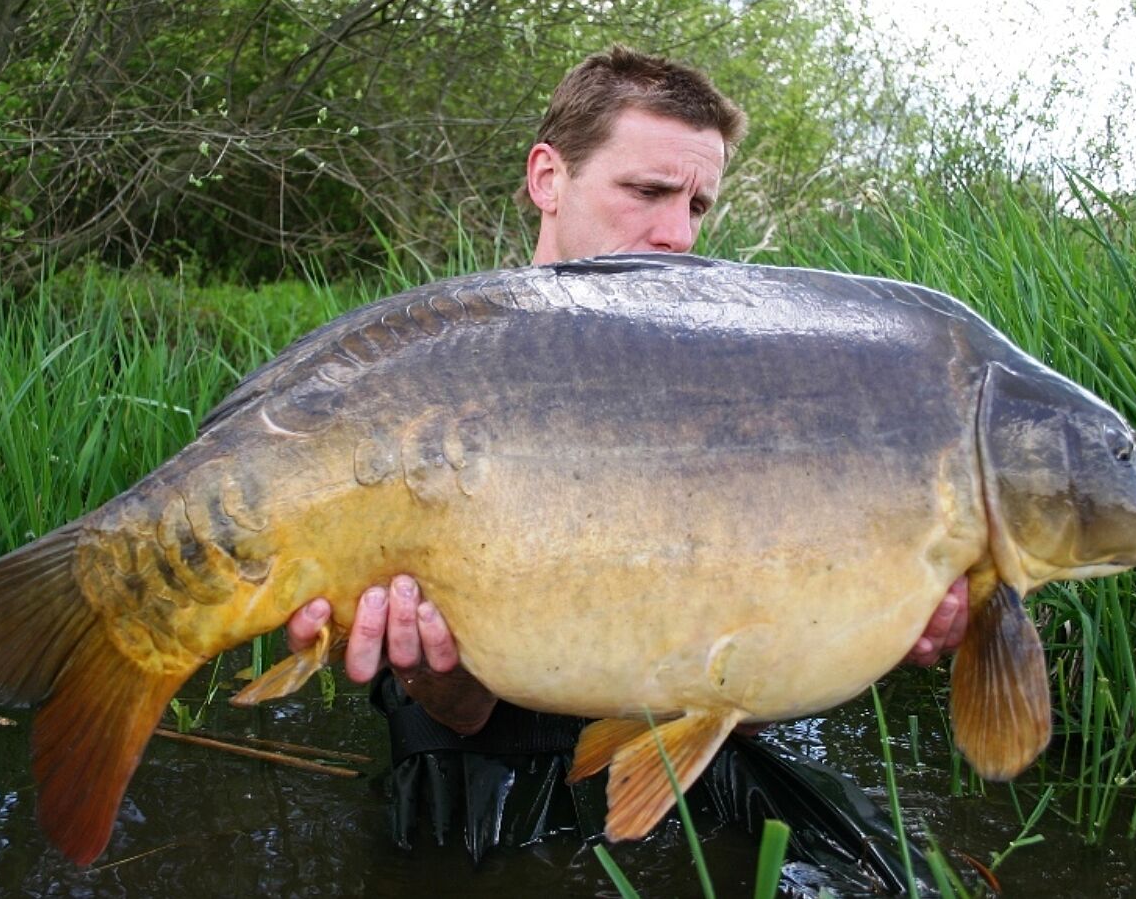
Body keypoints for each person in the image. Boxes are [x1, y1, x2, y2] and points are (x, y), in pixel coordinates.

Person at [286, 46, 969, 870]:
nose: (677, 235)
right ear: (548, 178)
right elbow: (459, 715)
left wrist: (866, 623)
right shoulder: (427, 371)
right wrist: (428, 668)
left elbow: (736, 693)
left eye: (699, 205)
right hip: (481, 773)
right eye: (646, 192)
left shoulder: (736, 389)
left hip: (682, 775)